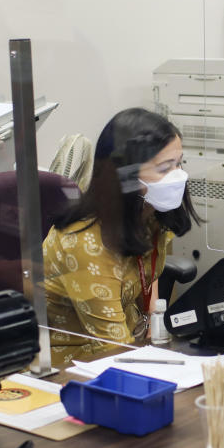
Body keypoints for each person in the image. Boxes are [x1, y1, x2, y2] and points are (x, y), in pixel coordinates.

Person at [42, 108, 198, 366]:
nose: (177, 176)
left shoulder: (150, 213)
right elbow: (114, 349)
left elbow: (149, 276)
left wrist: (153, 330)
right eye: (163, 168)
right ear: (125, 176)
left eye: (178, 163)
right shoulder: (85, 244)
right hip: (69, 365)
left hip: (127, 343)